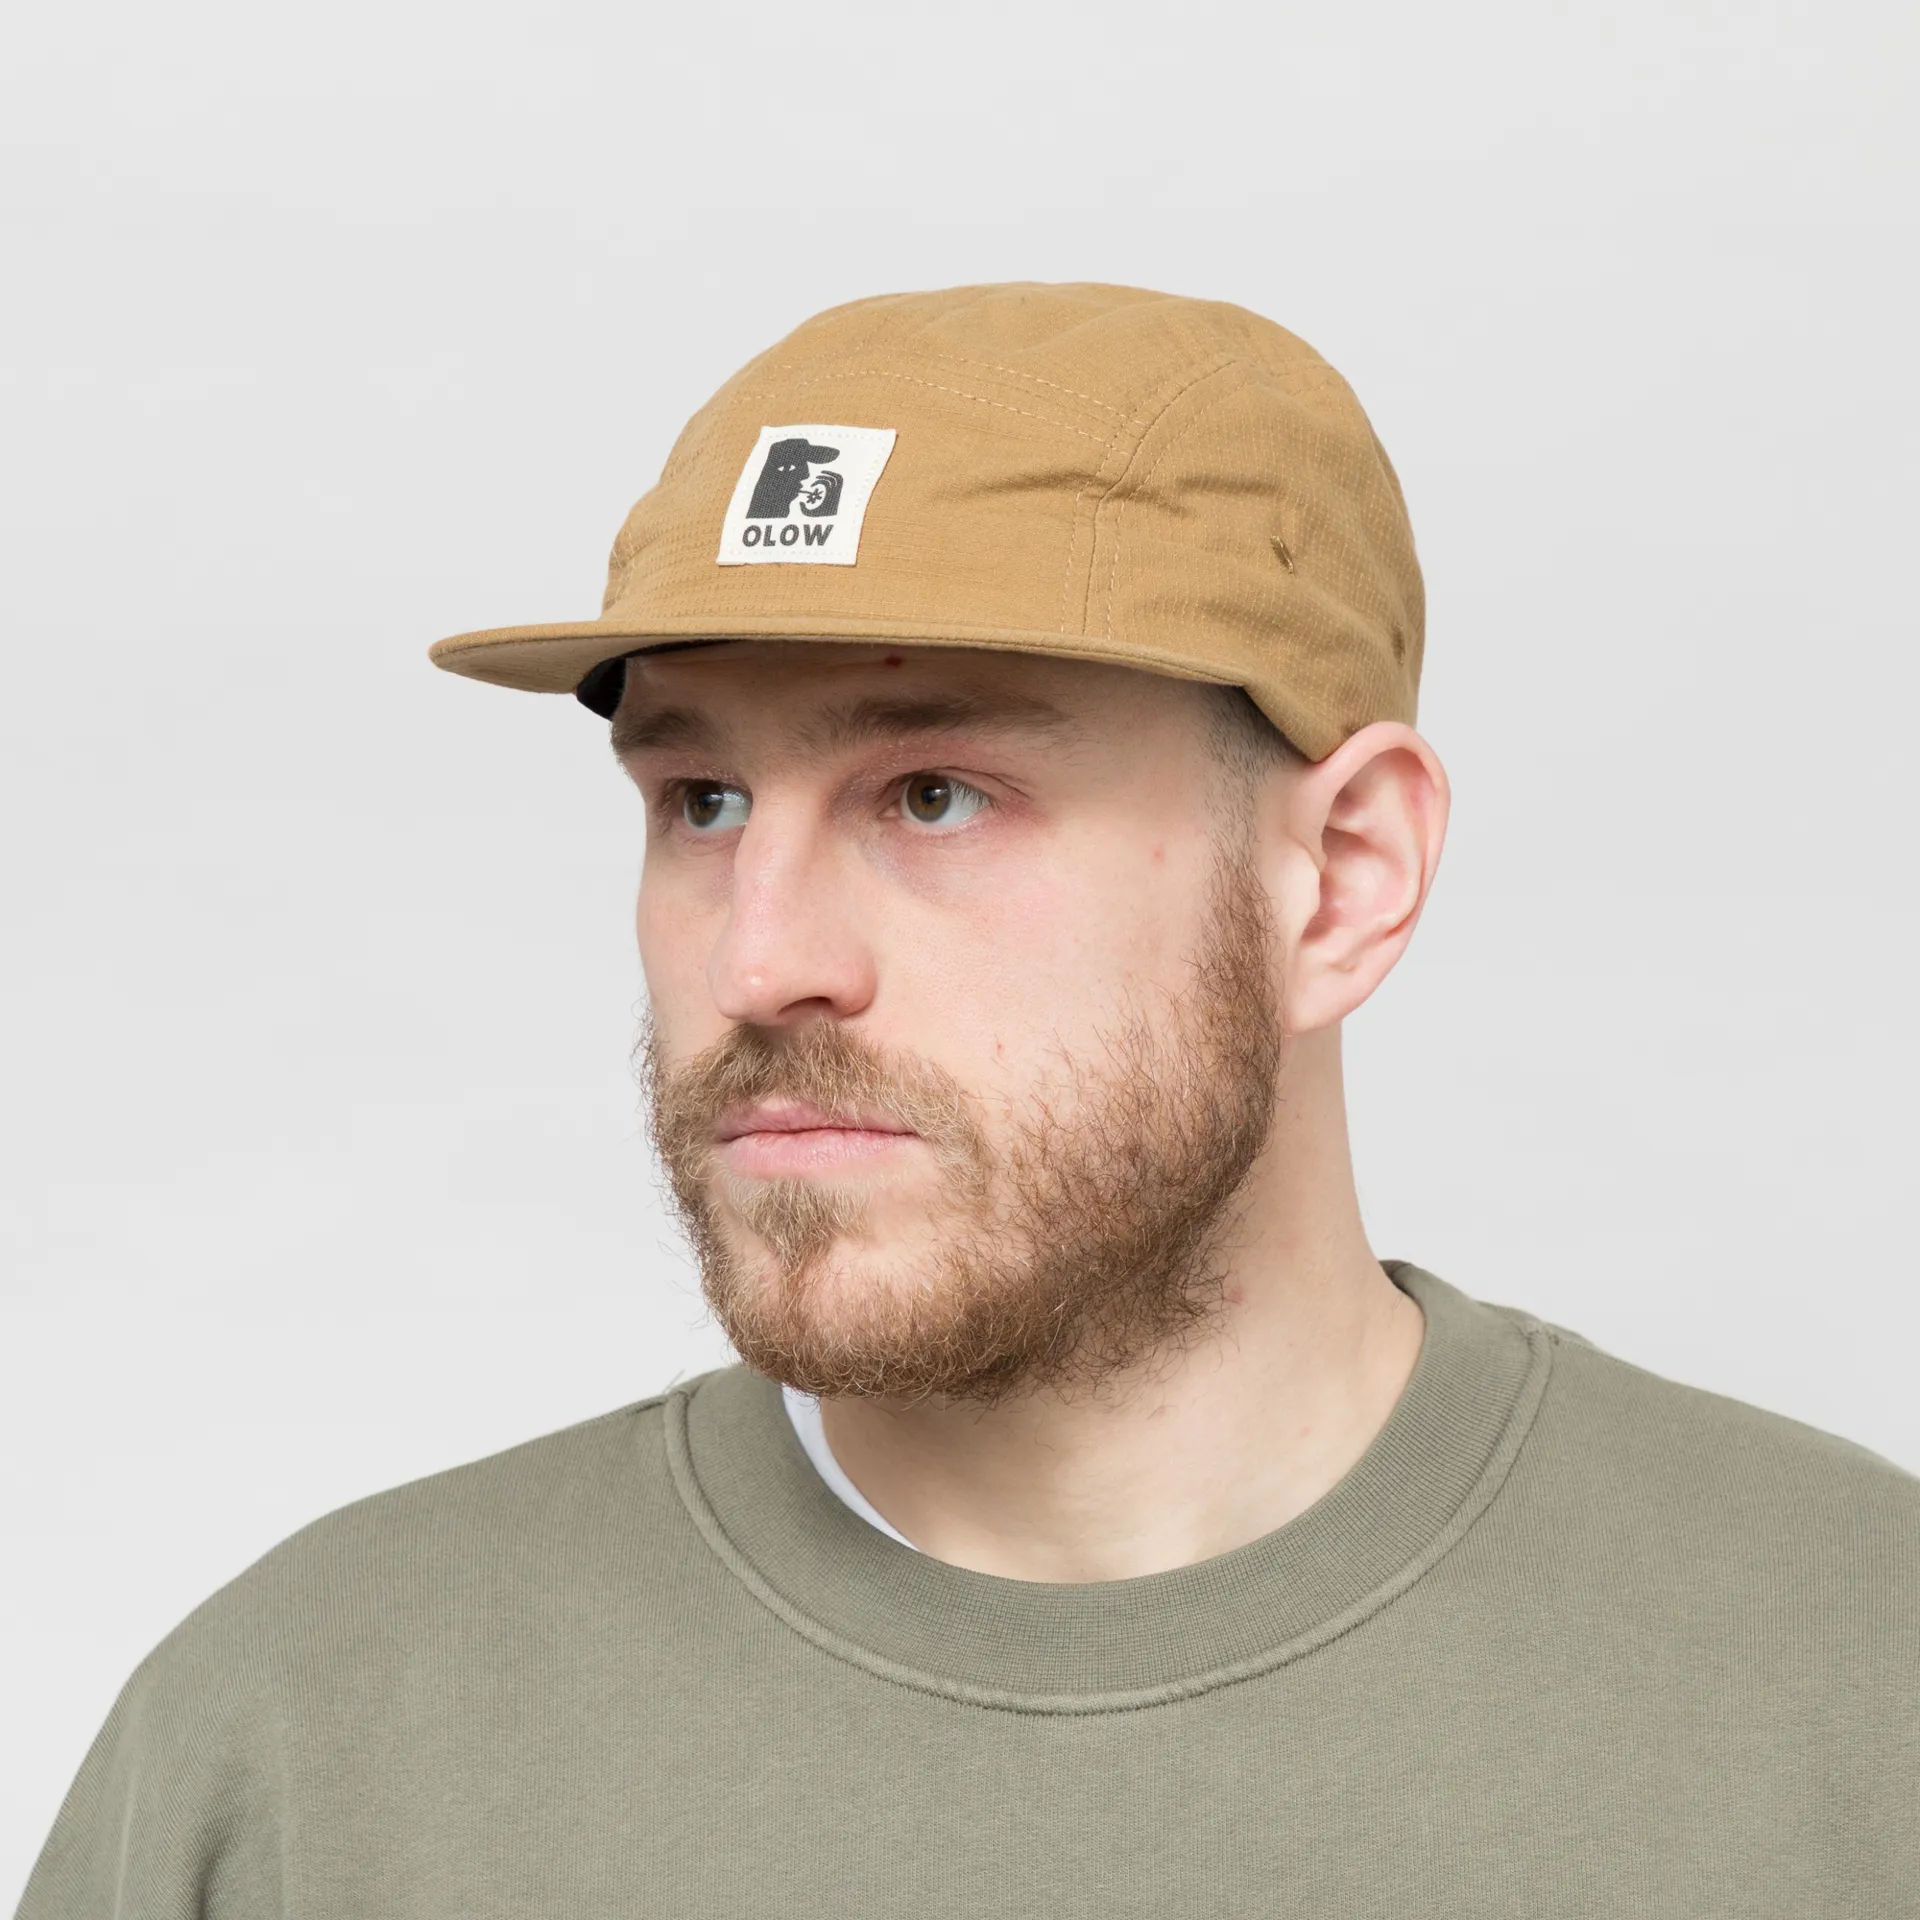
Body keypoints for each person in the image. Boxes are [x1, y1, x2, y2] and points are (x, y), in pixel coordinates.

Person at [18, 283, 1917, 1918]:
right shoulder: (305, 1751)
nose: (760, 959)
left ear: (1342, 879)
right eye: (702, 802)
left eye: (934, 795)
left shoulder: (1854, 1690)